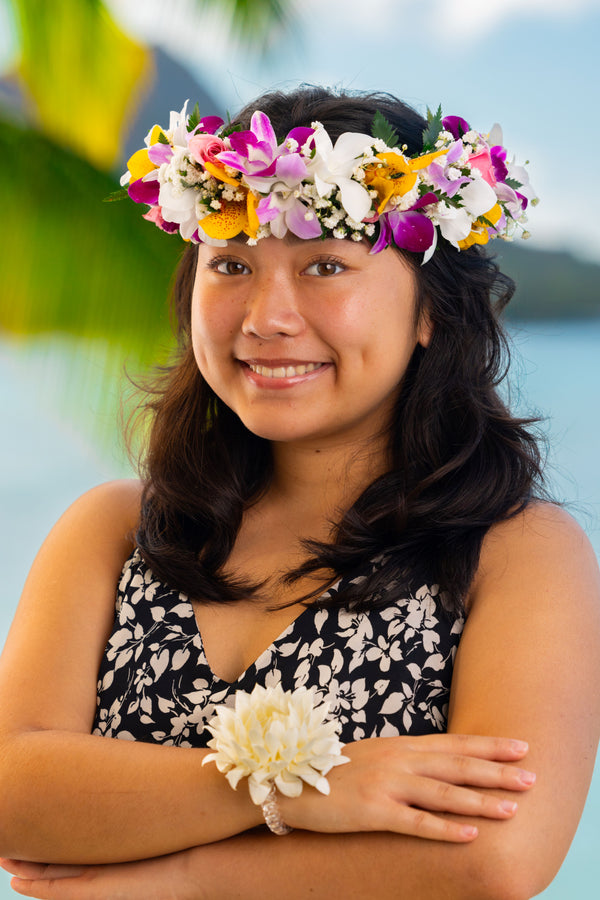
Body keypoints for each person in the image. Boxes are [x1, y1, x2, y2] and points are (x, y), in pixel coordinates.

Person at [0, 85, 599, 900]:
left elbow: (493, 858)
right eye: (232, 265)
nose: (266, 317)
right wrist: (290, 787)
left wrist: (178, 875)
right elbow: (12, 794)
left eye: (325, 265)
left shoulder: (516, 550)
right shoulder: (116, 530)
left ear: (431, 310)